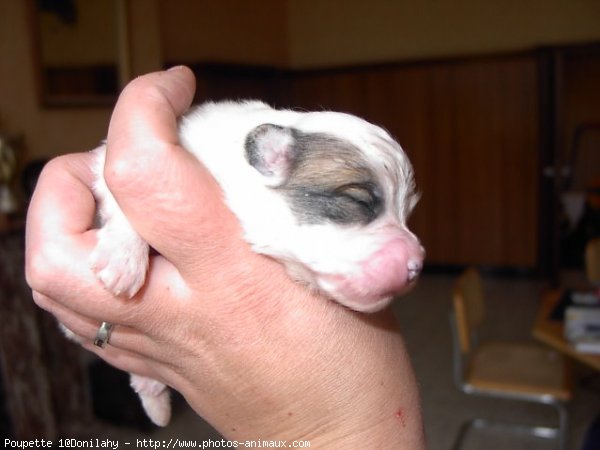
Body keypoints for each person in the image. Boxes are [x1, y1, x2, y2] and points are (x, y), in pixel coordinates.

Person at [24, 66, 426, 449]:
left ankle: (144, 376)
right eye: (356, 204)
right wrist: (125, 233)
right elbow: (114, 168)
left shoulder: (284, 182)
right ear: (271, 157)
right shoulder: (205, 139)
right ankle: (144, 378)